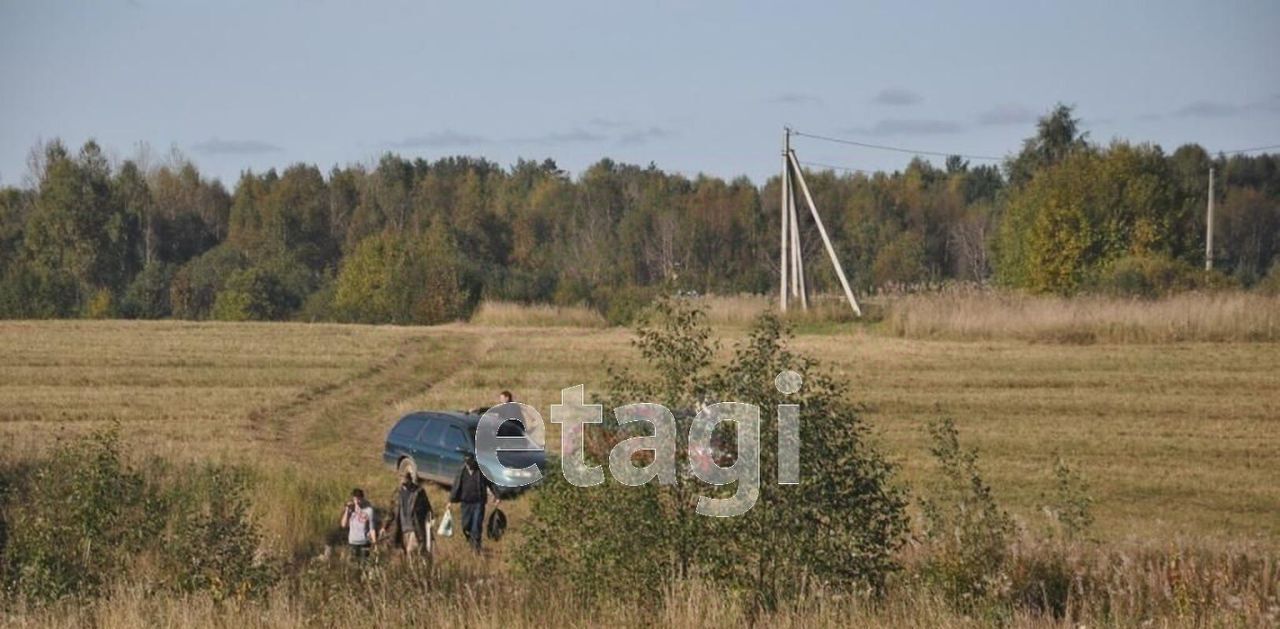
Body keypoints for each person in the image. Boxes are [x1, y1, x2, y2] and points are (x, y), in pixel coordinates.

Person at [449, 453, 500, 553]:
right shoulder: (462, 471)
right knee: (465, 526)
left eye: (471, 463)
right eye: (467, 464)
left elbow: (491, 483)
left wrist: (497, 496)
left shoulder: (481, 470)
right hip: (465, 503)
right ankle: (470, 540)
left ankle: (476, 548)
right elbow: (456, 486)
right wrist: (450, 501)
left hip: (478, 503)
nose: (469, 466)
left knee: (476, 525)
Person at [384, 471, 434, 558]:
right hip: (402, 528)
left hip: (415, 527)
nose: (403, 483)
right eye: (402, 480)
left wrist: (430, 520)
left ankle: (413, 569)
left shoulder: (419, 492)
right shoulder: (397, 493)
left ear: (410, 480)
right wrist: (385, 526)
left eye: (405, 481)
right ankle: (413, 569)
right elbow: (391, 512)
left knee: (411, 550)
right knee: (405, 552)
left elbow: (427, 508)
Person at [340, 488, 377, 560]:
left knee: (364, 564)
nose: (357, 501)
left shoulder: (369, 510)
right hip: (352, 542)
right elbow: (343, 525)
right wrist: (347, 510)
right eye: (355, 499)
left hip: (364, 542)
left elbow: (372, 528)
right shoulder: (351, 510)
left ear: (362, 498)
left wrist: (375, 544)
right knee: (353, 565)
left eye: (359, 499)